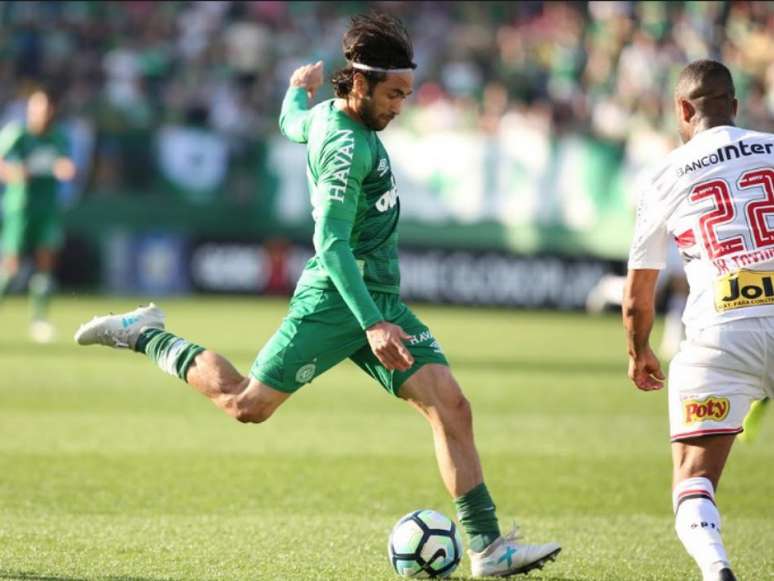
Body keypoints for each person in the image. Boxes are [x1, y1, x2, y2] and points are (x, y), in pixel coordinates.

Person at [74, 13, 560, 578]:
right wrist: (374, 325)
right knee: (245, 405)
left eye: (406, 93)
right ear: (360, 82)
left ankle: (488, 548)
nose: (400, 105)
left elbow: (292, 121)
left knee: (450, 405)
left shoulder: (327, 115)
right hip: (337, 300)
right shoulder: (346, 150)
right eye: (394, 93)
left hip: (376, 297)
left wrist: (292, 92)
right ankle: (148, 334)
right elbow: (330, 244)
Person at [623, 59, 774, 581]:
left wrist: (638, 349)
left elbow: (639, 293)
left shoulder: (665, 173)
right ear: (734, 106)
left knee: (693, 480)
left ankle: (716, 568)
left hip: (720, 334)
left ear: (682, 110)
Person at [0, 87, 76, 343]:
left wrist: (65, 169)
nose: (42, 113)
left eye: (47, 108)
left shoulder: (59, 137)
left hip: (48, 209)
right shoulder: (18, 134)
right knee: (11, 267)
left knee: (45, 265)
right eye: (38, 108)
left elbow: (64, 163)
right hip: (20, 209)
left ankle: (39, 320)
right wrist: (12, 173)